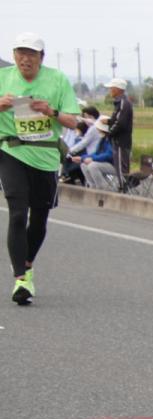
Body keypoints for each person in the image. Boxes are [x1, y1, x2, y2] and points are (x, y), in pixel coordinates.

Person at [0, 32, 81, 305]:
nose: (25, 58)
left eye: (31, 54)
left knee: (39, 219)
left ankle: (27, 262)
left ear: (41, 57)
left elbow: (73, 122)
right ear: (14, 56)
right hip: (11, 151)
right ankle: (21, 279)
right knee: (17, 212)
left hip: (45, 156)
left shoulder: (57, 80)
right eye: (20, 53)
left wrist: (50, 111)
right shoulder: (3, 77)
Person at [104, 77, 134, 182]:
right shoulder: (120, 102)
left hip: (121, 142)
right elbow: (117, 119)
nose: (110, 90)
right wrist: (108, 121)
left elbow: (120, 123)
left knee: (122, 169)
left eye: (111, 88)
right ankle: (122, 187)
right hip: (118, 141)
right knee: (119, 167)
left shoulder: (123, 103)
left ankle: (123, 188)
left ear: (117, 89)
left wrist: (109, 133)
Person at [78, 117, 119, 190]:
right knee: (83, 164)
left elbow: (109, 155)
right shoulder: (102, 139)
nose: (97, 130)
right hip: (105, 163)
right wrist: (82, 158)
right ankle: (92, 186)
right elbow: (96, 153)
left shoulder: (112, 140)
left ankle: (103, 188)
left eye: (98, 129)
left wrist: (92, 159)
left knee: (93, 166)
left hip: (115, 165)